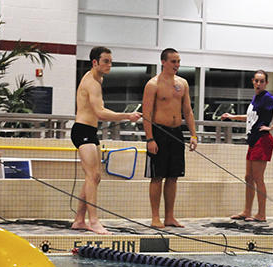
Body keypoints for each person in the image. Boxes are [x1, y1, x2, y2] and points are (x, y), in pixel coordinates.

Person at [71, 46, 142, 234]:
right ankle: (93, 221)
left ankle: (79, 219)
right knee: (92, 176)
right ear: (95, 62)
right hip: (82, 131)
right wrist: (127, 116)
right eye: (106, 61)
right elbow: (101, 113)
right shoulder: (91, 83)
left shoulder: (98, 79)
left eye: (110, 61)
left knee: (95, 177)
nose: (109, 65)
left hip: (90, 131)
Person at [221, 70, 273, 222]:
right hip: (253, 140)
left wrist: (271, 127)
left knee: (258, 178)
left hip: (262, 140)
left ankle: (261, 214)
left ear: (266, 83)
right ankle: (247, 210)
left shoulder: (267, 97)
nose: (258, 84)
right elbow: (251, 117)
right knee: (248, 177)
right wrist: (232, 117)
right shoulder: (256, 98)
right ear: (253, 81)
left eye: (261, 81)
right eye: (256, 81)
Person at [142, 48, 198, 228]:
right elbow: (146, 113)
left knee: (173, 176)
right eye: (173, 61)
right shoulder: (153, 84)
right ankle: (155, 217)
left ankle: (170, 216)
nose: (177, 65)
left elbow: (188, 111)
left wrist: (193, 134)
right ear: (163, 62)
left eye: (179, 61)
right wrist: (150, 139)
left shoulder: (182, 84)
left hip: (176, 133)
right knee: (158, 176)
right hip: (159, 133)